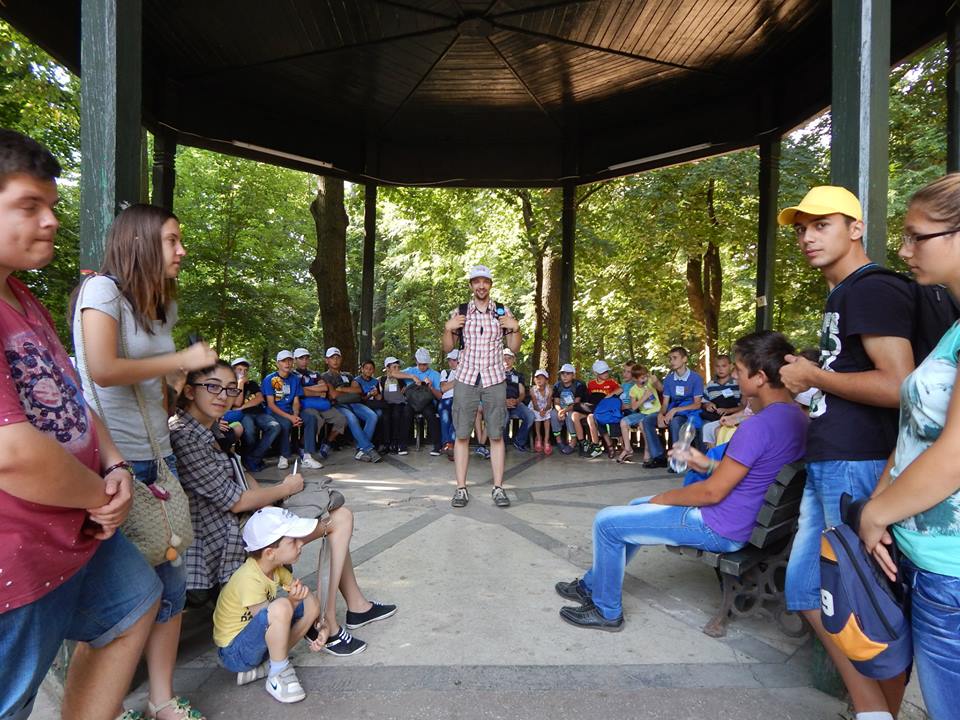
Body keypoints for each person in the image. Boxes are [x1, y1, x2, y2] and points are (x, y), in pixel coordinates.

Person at [0, 129, 163, 720]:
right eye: (27, 206)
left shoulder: (24, 298)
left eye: (52, 207)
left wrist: (115, 463)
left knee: (134, 602)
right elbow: (12, 451)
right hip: (14, 551)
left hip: (78, 524)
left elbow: (71, 396)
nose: (49, 221)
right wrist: (102, 497)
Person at [554, 331, 807, 631]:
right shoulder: (797, 417)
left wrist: (664, 497)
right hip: (751, 520)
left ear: (761, 377)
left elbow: (712, 493)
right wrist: (708, 463)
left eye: (739, 371)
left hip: (721, 526)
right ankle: (591, 584)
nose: (736, 378)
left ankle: (606, 609)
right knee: (636, 505)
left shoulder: (756, 427)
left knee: (606, 523)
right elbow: (757, 471)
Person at [72, 201, 219, 720]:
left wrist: (185, 387)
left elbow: (158, 383)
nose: (182, 250)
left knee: (170, 588)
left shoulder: (163, 304)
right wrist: (183, 361)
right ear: (140, 243)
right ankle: (100, 708)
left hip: (159, 459)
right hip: (112, 466)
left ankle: (161, 700)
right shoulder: (101, 291)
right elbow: (104, 368)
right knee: (118, 600)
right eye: (172, 240)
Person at [777, 186, 918, 720]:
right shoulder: (842, 296)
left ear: (856, 229)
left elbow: (900, 385)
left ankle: (879, 711)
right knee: (808, 591)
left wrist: (814, 375)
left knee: (865, 596)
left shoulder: (870, 289)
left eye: (822, 224)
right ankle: (874, 711)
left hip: (859, 462)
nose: (807, 237)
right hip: (832, 461)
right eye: (800, 228)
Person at [856, 175, 960, 719]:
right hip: (929, 560)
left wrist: (876, 513)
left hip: (952, 570)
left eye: (918, 236)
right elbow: (917, 429)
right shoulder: (953, 328)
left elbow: (954, 455)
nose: (903, 250)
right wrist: (884, 496)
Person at [170, 361, 306, 595]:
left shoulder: (209, 428)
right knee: (335, 521)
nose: (223, 396)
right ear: (190, 391)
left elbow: (240, 471)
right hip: (218, 545)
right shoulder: (184, 435)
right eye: (213, 387)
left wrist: (269, 506)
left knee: (332, 514)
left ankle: (339, 616)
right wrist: (286, 488)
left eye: (231, 388)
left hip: (239, 526)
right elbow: (236, 501)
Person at [212, 507, 324, 704]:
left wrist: (319, 626)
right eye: (292, 541)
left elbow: (304, 599)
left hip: (253, 642)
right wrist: (293, 601)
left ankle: (267, 665)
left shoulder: (276, 569)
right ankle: (278, 673)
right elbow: (268, 616)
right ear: (270, 553)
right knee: (282, 606)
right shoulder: (249, 578)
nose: (300, 544)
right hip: (234, 652)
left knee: (311, 601)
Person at [442, 264, 520, 508]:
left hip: (494, 378)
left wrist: (515, 327)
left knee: (496, 435)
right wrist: (448, 329)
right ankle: (461, 488)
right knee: (462, 435)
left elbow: (514, 347)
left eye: (485, 281)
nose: (481, 285)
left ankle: (498, 488)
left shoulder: (501, 311)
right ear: (471, 285)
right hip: (465, 378)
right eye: (476, 281)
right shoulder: (462, 312)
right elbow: (447, 348)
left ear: (490, 284)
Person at [641, 346, 704, 469]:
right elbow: (665, 404)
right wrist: (660, 414)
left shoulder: (695, 378)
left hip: (688, 412)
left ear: (685, 359)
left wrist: (675, 410)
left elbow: (697, 404)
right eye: (670, 359)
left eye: (675, 358)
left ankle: (677, 460)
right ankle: (659, 456)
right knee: (647, 420)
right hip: (672, 410)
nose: (672, 361)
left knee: (675, 422)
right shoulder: (669, 379)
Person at [261, 351, 323, 470]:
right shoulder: (270, 379)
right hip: (275, 411)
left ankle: (307, 456)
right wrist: (290, 418)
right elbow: (271, 404)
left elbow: (296, 400)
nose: (287, 363)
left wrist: (295, 415)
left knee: (310, 417)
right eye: (284, 361)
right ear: (277, 363)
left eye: (289, 360)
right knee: (285, 423)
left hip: (290, 410)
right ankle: (283, 456)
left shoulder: (294, 379)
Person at [320, 347, 381, 463]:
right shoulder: (325, 376)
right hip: (339, 405)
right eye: (332, 358)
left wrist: (342, 389)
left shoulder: (348, 375)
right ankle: (368, 448)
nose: (335, 360)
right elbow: (333, 395)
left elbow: (358, 390)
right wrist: (349, 390)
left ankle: (360, 450)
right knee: (351, 418)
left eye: (338, 357)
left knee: (372, 416)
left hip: (354, 402)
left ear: (341, 359)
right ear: (326, 360)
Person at [225, 357, 281, 473]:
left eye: (245, 370)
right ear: (233, 371)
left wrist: (243, 406)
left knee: (275, 426)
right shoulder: (229, 386)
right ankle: (249, 459)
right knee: (250, 433)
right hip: (243, 415)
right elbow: (237, 402)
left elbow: (260, 398)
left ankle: (253, 458)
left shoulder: (252, 384)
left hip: (258, 413)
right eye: (239, 370)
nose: (243, 373)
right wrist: (240, 383)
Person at [292, 348, 347, 460]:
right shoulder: (292, 375)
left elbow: (324, 388)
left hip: (321, 404)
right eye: (301, 358)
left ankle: (327, 442)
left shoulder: (314, 374)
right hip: (304, 406)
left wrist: (305, 390)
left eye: (306, 358)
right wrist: (315, 391)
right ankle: (302, 445)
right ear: (295, 360)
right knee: (317, 420)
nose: (304, 361)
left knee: (341, 419)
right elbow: (297, 392)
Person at [397, 347, 443, 456]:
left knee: (430, 414)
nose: (422, 366)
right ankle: (402, 445)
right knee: (406, 412)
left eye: (425, 364)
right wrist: (412, 377)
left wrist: (431, 387)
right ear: (416, 361)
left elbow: (440, 396)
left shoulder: (435, 374)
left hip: (427, 401)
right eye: (420, 364)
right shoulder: (411, 371)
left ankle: (437, 445)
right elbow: (393, 373)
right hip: (412, 401)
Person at [617, 365, 662, 463]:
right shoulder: (633, 390)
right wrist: (644, 397)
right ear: (634, 379)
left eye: (646, 376)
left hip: (655, 412)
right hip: (643, 413)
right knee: (623, 422)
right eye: (642, 378)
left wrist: (656, 382)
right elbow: (633, 407)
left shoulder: (650, 382)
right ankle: (628, 449)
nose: (645, 379)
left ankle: (647, 450)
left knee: (643, 423)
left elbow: (661, 389)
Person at [699, 355, 743, 448]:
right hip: (714, 417)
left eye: (724, 366)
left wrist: (729, 410)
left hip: (734, 417)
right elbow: (703, 402)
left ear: (731, 366)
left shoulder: (738, 384)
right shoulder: (710, 385)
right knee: (705, 426)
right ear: (714, 367)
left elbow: (744, 406)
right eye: (718, 366)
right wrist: (707, 404)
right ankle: (708, 455)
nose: (720, 369)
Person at [552, 363, 591, 455]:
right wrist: (559, 411)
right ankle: (559, 441)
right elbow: (556, 402)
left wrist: (564, 411)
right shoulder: (557, 385)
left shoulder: (579, 385)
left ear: (573, 375)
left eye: (568, 373)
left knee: (571, 416)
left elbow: (576, 403)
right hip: (561, 408)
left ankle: (573, 442)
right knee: (553, 414)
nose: (565, 376)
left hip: (574, 408)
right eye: (562, 373)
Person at [586, 359, 621, 458]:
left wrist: (610, 395)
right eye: (603, 372)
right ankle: (597, 446)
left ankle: (611, 446)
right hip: (596, 409)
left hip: (608, 410)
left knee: (599, 418)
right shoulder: (591, 384)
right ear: (596, 373)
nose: (606, 373)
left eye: (606, 371)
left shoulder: (611, 382)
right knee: (591, 417)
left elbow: (620, 389)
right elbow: (589, 397)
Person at [503, 348, 536, 452]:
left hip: (516, 402)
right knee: (504, 418)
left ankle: (519, 441)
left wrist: (517, 401)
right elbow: (493, 392)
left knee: (530, 416)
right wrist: (504, 401)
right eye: (504, 358)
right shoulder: (496, 374)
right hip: (501, 403)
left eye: (509, 358)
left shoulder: (518, 375)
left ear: (514, 360)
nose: (506, 361)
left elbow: (522, 393)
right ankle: (502, 444)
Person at [381, 356, 414, 454]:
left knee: (397, 415)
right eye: (394, 367)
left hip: (398, 404)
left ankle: (395, 443)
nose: (397, 369)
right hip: (386, 404)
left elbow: (404, 392)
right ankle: (386, 444)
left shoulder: (401, 379)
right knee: (385, 417)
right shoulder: (382, 380)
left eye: (398, 367)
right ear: (387, 368)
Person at [438, 349, 459, 458]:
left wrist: (450, 384)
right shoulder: (445, 372)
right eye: (449, 360)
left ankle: (451, 443)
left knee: (457, 414)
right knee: (444, 415)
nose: (451, 363)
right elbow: (443, 388)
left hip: (459, 399)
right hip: (446, 399)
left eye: (454, 360)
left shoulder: (466, 371)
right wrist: (458, 380)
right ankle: (447, 444)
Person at [529, 369, 554, 455]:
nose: (539, 380)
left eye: (541, 378)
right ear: (534, 380)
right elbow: (534, 403)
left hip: (546, 407)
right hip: (535, 407)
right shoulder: (533, 390)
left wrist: (545, 410)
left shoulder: (549, 390)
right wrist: (539, 411)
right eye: (537, 378)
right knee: (537, 416)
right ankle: (538, 437)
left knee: (547, 416)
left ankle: (546, 439)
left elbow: (549, 403)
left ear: (546, 380)